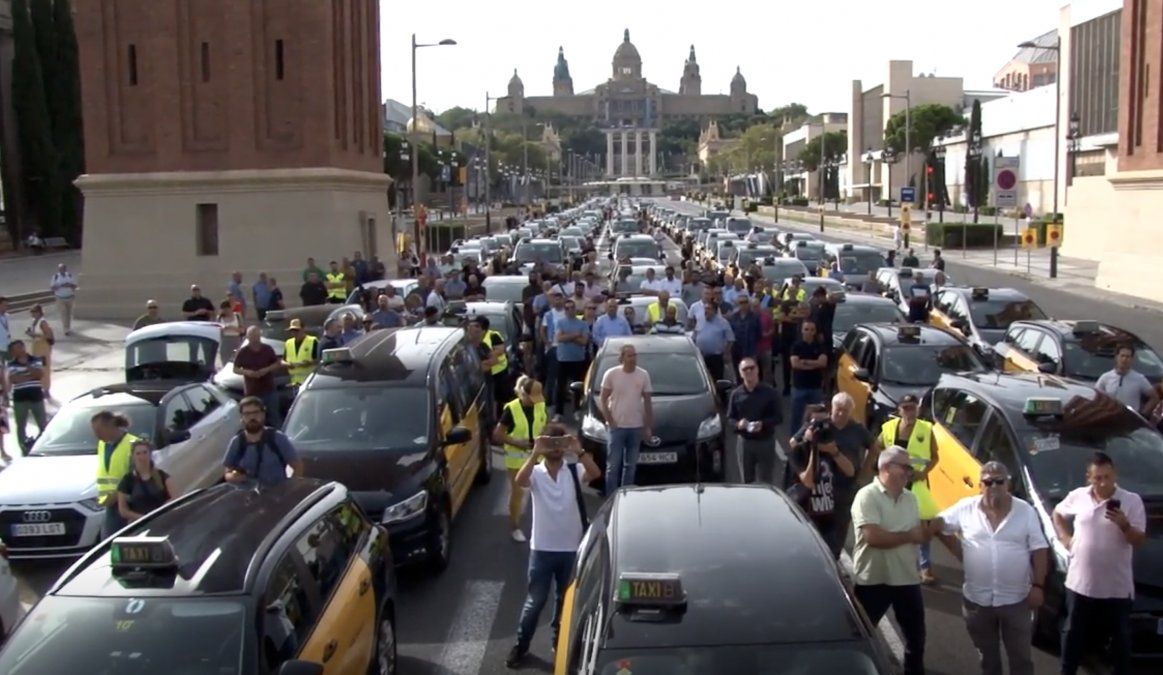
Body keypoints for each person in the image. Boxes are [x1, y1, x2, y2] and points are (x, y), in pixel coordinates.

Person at [930, 461, 1048, 675]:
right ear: (980, 485)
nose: (993, 486)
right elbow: (939, 525)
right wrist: (961, 553)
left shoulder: (1025, 511)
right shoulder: (966, 507)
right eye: (988, 482)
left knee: (1021, 659)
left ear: (1008, 485)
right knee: (987, 658)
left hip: (1016, 601)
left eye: (999, 481)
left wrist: (1038, 586)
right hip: (978, 602)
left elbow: (1039, 549)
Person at [505, 420, 601, 668]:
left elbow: (595, 473)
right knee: (535, 602)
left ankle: (559, 644)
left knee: (564, 601)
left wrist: (577, 449)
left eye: (559, 444)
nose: (556, 449)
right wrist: (536, 452)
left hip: (570, 550)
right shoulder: (536, 473)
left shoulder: (573, 471)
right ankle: (521, 645)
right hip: (542, 551)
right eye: (551, 443)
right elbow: (520, 480)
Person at [1052, 452, 1146, 675]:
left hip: (1116, 589)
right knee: (1072, 633)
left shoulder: (1132, 501)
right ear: (1089, 478)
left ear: (1115, 475)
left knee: (1120, 639)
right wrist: (1066, 539)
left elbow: (1139, 540)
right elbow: (1057, 513)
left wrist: (1124, 525)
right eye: (1098, 478)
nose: (1103, 483)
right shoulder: (1078, 496)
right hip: (1080, 584)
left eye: (1107, 477)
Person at [851, 446, 928, 675]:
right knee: (861, 637)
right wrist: (909, 537)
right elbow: (872, 537)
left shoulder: (911, 498)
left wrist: (918, 534)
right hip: (874, 579)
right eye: (905, 467)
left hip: (906, 578)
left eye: (910, 468)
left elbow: (918, 532)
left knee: (916, 637)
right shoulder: (867, 496)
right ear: (886, 467)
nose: (909, 472)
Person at [878, 394, 940, 583]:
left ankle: (925, 567)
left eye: (912, 407)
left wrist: (924, 473)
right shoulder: (889, 428)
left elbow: (935, 456)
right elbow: (878, 447)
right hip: (893, 482)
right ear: (899, 410)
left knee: (922, 523)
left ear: (918, 409)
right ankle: (889, 562)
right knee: (890, 520)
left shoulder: (926, 429)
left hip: (916, 482)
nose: (909, 411)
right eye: (905, 407)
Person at [790, 419, 856, 559]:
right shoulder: (800, 451)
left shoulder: (831, 451)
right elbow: (808, 482)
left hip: (827, 517)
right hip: (806, 517)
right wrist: (814, 449)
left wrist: (835, 452)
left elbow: (850, 471)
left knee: (830, 560)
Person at [494, 375, 547, 542]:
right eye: (532, 398)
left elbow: (544, 425)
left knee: (542, 492)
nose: (535, 401)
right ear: (523, 394)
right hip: (517, 459)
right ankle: (514, 526)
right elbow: (498, 435)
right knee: (517, 494)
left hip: (538, 457)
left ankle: (542, 525)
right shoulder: (511, 409)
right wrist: (517, 442)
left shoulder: (540, 405)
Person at [599, 344, 653, 496]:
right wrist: (610, 420)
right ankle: (611, 496)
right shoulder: (611, 374)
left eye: (635, 355)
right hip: (617, 427)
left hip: (636, 426)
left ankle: (626, 495)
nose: (633, 359)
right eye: (629, 356)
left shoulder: (643, 375)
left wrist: (648, 426)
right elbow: (603, 399)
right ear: (622, 358)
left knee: (631, 465)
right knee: (613, 466)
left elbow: (648, 401)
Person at [223, 396, 304, 487]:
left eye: (256, 413)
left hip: (277, 495)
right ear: (241, 417)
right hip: (247, 497)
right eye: (247, 414)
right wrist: (234, 477)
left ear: (263, 414)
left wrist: (290, 488)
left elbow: (297, 466)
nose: (252, 417)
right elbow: (228, 471)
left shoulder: (277, 438)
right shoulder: (237, 442)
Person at [726, 357, 782, 484]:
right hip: (745, 443)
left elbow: (778, 417)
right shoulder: (736, 394)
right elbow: (730, 419)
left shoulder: (770, 392)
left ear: (757, 370)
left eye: (752, 368)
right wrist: (738, 424)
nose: (749, 371)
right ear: (740, 373)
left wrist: (763, 424)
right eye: (745, 369)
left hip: (765, 442)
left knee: (766, 481)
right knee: (746, 481)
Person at [93, 411, 139, 538]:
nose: (96, 435)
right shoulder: (103, 444)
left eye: (98, 430)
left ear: (111, 426)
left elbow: (137, 477)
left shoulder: (133, 444)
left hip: (130, 504)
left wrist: (116, 496)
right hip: (110, 504)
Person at [234, 325, 285, 427]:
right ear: (248, 337)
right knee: (254, 419)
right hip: (252, 392)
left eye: (256, 336)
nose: (254, 339)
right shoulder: (243, 352)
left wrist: (266, 370)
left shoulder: (267, 349)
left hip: (269, 389)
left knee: (274, 417)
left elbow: (277, 364)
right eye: (252, 336)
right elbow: (235, 369)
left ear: (260, 336)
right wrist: (248, 372)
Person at [117, 439, 178, 523]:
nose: (142, 456)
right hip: (141, 523)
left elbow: (174, 497)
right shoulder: (127, 480)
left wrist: (160, 513)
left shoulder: (161, 475)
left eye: (145, 452)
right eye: (138, 453)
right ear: (133, 457)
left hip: (163, 519)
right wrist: (143, 518)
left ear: (150, 454)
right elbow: (123, 510)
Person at [6, 340, 47, 456]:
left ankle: (42, 446)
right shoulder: (11, 364)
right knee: (21, 425)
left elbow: (39, 374)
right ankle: (24, 448)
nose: (19, 350)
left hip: (36, 396)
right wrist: (31, 376)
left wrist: (26, 366)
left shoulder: (35, 359)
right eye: (15, 349)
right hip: (20, 398)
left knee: (43, 424)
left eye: (20, 347)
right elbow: (14, 379)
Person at [1094, 344, 1159, 415]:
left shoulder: (1139, 378)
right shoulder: (1106, 377)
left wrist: (1142, 414)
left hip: (1130, 420)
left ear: (1132, 359)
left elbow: (1154, 398)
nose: (1124, 359)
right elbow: (1095, 397)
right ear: (1116, 357)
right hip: (1110, 417)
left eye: (1128, 357)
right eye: (1122, 356)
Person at [789, 319, 828, 432]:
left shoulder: (820, 346)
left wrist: (805, 362)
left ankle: (814, 442)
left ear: (815, 331)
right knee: (797, 417)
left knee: (816, 418)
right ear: (802, 330)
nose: (809, 332)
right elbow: (795, 364)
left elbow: (823, 363)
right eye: (806, 329)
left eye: (812, 330)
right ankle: (795, 442)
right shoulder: (796, 346)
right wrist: (815, 364)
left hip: (815, 387)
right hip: (799, 387)